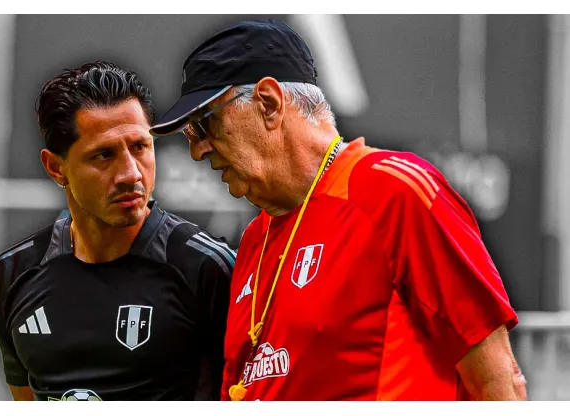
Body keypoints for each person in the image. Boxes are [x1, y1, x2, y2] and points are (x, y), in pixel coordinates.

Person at [150, 20, 526, 401]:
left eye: (204, 125)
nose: (198, 150)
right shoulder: (254, 239)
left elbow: (497, 381)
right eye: (191, 136)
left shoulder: (394, 191)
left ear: (269, 103)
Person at [0, 61, 234, 401]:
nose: (131, 174)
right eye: (104, 155)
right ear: (56, 168)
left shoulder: (207, 267)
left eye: (140, 147)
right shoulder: (14, 273)